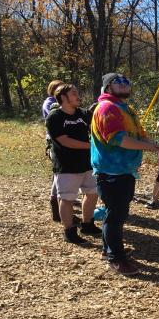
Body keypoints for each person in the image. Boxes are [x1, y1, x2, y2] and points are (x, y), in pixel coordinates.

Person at [91, 72, 159, 275]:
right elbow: (118, 139)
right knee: (116, 215)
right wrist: (152, 148)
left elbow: (140, 136)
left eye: (126, 81)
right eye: (118, 82)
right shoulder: (107, 108)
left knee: (117, 212)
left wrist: (156, 145)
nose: (124, 85)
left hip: (125, 170)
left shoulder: (125, 108)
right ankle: (116, 258)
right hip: (111, 171)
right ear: (107, 87)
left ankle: (107, 250)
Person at [46, 84, 101, 243]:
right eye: (74, 93)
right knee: (67, 199)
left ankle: (87, 224)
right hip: (66, 166)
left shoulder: (83, 114)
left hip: (87, 163)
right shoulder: (55, 117)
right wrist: (92, 146)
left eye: (77, 92)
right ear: (63, 97)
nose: (78, 95)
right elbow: (65, 141)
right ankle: (69, 231)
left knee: (92, 193)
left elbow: (97, 127)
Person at [44, 79, 64, 222]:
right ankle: (57, 208)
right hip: (55, 143)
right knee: (59, 175)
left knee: (58, 175)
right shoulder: (51, 104)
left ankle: (60, 204)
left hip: (57, 141)